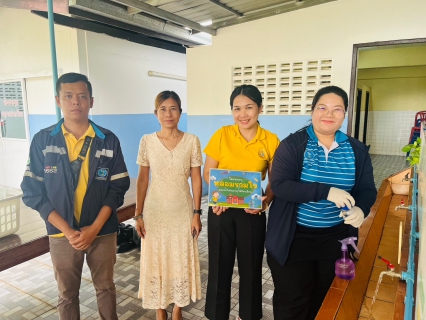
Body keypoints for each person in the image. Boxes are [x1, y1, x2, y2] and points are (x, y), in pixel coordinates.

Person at [21, 72, 130, 320]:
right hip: (61, 235)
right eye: (68, 96)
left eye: (82, 96)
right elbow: (32, 192)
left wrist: (94, 228)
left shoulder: (108, 140)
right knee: (67, 295)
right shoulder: (43, 141)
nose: (75, 102)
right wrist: (69, 232)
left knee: (105, 288)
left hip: (102, 231)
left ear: (91, 101)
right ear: (58, 101)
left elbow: (117, 188)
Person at [265, 86, 377, 320]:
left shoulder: (356, 150)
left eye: (337, 109)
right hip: (293, 238)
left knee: (325, 298)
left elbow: (367, 190)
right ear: (313, 110)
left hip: (335, 240)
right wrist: (325, 191)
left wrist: (361, 208)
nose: (329, 114)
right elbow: (280, 184)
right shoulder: (293, 145)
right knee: (293, 301)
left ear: (345, 114)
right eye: (322, 107)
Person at [203, 84, 280, 320]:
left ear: (260, 108)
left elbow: (275, 180)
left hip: (251, 213)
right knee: (218, 266)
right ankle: (217, 315)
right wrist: (219, 195)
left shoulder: (270, 140)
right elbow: (208, 172)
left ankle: (249, 315)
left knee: (251, 268)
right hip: (221, 210)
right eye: (237, 108)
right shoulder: (222, 134)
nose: (242, 114)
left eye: (249, 107)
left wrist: (265, 202)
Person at [135, 91, 202, 320]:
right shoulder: (147, 141)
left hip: (182, 212)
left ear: (180, 112)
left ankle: (178, 309)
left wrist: (196, 213)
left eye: (173, 108)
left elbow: (196, 179)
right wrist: (138, 214)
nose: (168, 113)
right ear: (156, 113)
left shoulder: (192, 141)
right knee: (156, 259)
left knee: (179, 258)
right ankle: (160, 308)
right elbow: (143, 179)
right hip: (155, 213)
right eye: (163, 109)